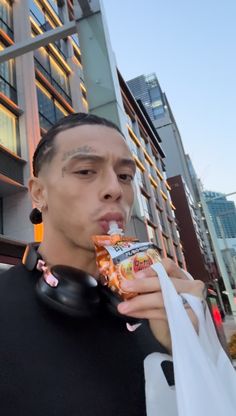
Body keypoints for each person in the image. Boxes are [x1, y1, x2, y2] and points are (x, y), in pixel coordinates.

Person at [0, 113, 205, 415]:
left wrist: (196, 349)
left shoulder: (166, 301)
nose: (115, 189)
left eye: (125, 176)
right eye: (85, 171)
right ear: (39, 193)